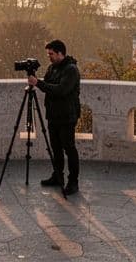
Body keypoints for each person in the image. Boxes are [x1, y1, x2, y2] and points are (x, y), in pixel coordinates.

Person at [27, 39, 80, 195]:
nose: (49, 57)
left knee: (69, 149)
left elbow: (61, 90)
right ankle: (57, 176)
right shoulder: (52, 68)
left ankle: (73, 181)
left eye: (51, 54)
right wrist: (37, 82)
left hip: (67, 116)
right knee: (55, 148)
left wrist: (38, 83)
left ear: (60, 53)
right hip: (53, 115)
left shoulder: (71, 70)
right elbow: (47, 86)